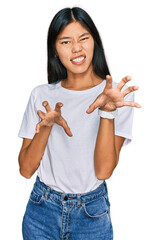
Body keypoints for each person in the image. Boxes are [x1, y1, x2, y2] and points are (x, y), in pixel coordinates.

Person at [18, 7, 141, 240]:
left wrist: (107, 112)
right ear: (54, 50)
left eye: (83, 38)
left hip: (91, 215)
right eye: (65, 41)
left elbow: (104, 170)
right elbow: (25, 169)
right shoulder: (41, 95)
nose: (76, 48)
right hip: (41, 211)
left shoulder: (115, 95)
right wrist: (46, 127)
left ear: (95, 42)